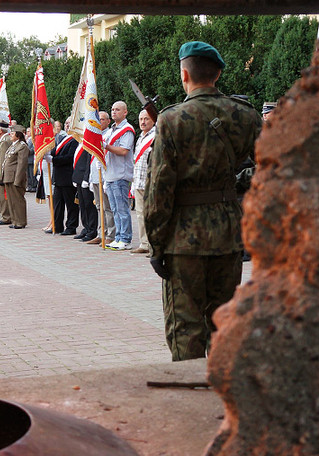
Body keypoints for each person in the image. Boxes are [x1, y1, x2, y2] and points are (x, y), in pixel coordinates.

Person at [145, 41, 262, 361]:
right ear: (219, 73)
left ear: (185, 74)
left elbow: (159, 189)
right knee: (224, 323)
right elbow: (269, 172)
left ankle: (190, 396)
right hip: (228, 233)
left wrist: (156, 244)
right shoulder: (246, 116)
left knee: (185, 326)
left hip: (184, 240)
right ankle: (226, 395)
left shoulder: (171, 119)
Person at [104, 101, 135, 250]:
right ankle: (118, 237)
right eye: (112, 109)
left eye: (117, 109)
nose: (114, 112)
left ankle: (126, 238)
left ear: (125, 112)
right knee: (115, 209)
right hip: (110, 174)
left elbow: (124, 151)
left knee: (122, 209)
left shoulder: (127, 129)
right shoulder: (111, 130)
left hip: (121, 175)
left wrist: (107, 147)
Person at [86, 111, 115, 245]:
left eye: (102, 119)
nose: (100, 122)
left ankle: (110, 233)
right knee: (99, 206)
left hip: (104, 175)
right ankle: (101, 232)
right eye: (98, 120)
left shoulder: (109, 134)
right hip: (95, 175)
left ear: (108, 121)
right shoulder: (95, 135)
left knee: (107, 207)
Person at [131, 109, 156, 255]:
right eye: (141, 119)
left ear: (153, 120)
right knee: (140, 214)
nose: (143, 122)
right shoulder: (140, 137)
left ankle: (154, 245)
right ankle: (144, 243)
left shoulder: (156, 136)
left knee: (151, 215)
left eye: (146, 119)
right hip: (139, 181)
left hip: (150, 182)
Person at [48, 118, 79, 236]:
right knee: (57, 203)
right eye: (66, 123)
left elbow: (70, 157)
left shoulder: (75, 139)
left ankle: (71, 227)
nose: (67, 126)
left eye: (69, 123)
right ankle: (57, 225)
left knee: (71, 204)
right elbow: (55, 151)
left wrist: (54, 160)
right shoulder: (63, 138)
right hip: (58, 177)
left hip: (68, 177)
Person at [2, 124, 29, 229]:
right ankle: (14, 220)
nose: (10, 135)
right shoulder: (13, 145)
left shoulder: (22, 146)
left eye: (12, 133)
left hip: (15, 177)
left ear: (18, 135)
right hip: (9, 177)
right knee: (11, 200)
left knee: (18, 200)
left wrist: (18, 180)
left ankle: (21, 221)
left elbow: (21, 165)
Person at [71, 146, 98, 242]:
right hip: (79, 177)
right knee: (82, 206)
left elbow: (88, 162)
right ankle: (86, 228)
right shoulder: (80, 144)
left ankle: (92, 230)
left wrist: (86, 178)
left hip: (85, 178)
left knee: (89, 206)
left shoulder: (88, 143)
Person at [25, 127, 37, 192]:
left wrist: (26, 151)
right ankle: (29, 186)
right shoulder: (27, 139)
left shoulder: (34, 139)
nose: (28, 133)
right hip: (27, 159)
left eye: (29, 131)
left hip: (31, 159)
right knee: (28, 175)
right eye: (27, 131)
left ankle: (33, 186)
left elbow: (33, 149)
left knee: (32, 174)